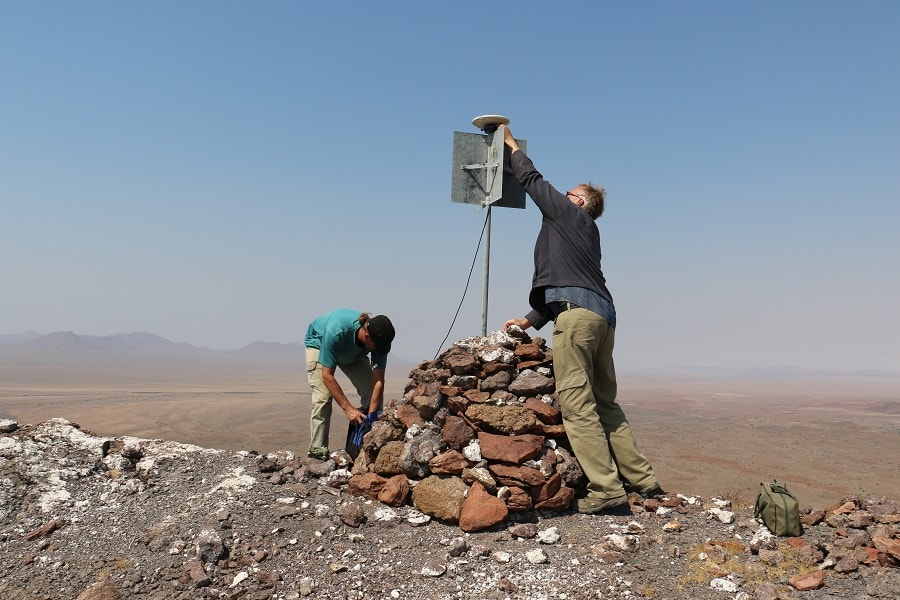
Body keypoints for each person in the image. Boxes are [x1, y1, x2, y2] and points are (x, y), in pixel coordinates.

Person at [499, 124, 665, 514]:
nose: (561, 196)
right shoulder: (586, 232)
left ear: (577, 201)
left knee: (577, 402)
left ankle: (607, 490)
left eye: (568, 193)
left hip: (578, 320)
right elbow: (568, 280)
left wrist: (509, 145)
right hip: (602, 317)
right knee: (606, 403)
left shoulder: (566, 214)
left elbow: (532, 179)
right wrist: (529, 320)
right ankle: (645, 481)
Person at [303, 309, 395, 460]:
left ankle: (368, 448)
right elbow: (327, 376)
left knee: (372, 392)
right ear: (366, 336)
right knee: (323, 397)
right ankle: (317, 450)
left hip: (350, 353)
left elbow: (378, 381)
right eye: (376, 347)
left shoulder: (379, 341)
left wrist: (372, 416)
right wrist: (348, 409)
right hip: (319, 343)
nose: (379, 351)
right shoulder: (337, 331)